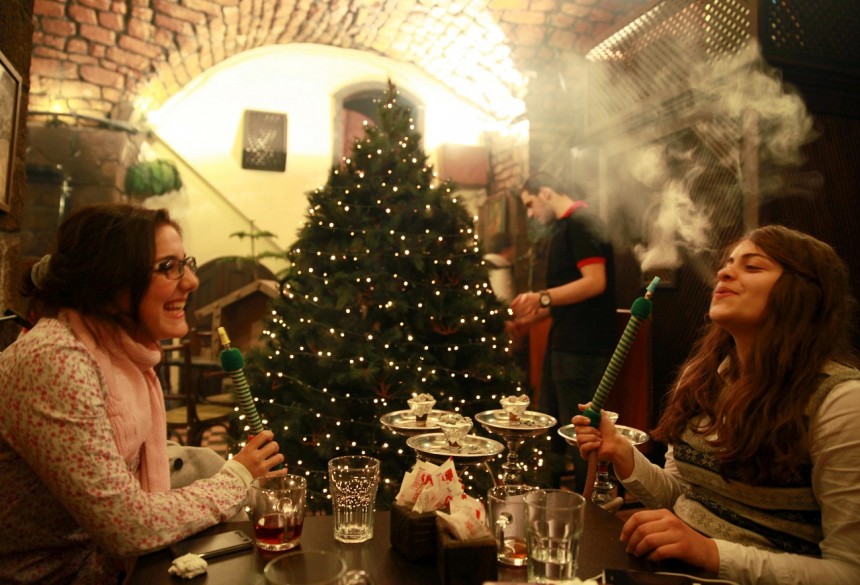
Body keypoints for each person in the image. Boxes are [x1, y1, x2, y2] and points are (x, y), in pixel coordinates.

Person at [0, 204, 286, 584]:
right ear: (110, 280)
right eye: (168, 267)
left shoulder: (121, 353)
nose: (191, 282)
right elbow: (128, 525)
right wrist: (236, 476)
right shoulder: (56, 360)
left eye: (187, 264)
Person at [573, 225, 860, 584]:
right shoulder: (704, 377)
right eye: (727, 263)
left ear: (803, 294)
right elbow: (684, 495)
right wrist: (621, 452)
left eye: (752, 267)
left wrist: (711, 553)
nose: (724, 272)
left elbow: (849, 572)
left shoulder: (840, 402)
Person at [511, 172, 617, 492]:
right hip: (563, 343)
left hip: (583, 347)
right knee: (551, 428)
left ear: (545, 193)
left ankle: (593, 509)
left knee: (580, 435)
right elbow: (566, 297)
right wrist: (531, 317)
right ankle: (548, 500)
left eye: (529, 204)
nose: (530, 214)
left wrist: (542, 297)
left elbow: (595, 282)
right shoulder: (563, 229)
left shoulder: (582, 222)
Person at [483, 232, 516, 305]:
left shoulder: (486, 264)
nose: (514, 251)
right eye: (513, 247)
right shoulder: (499, 269)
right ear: (506, 249)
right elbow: (505, 302)